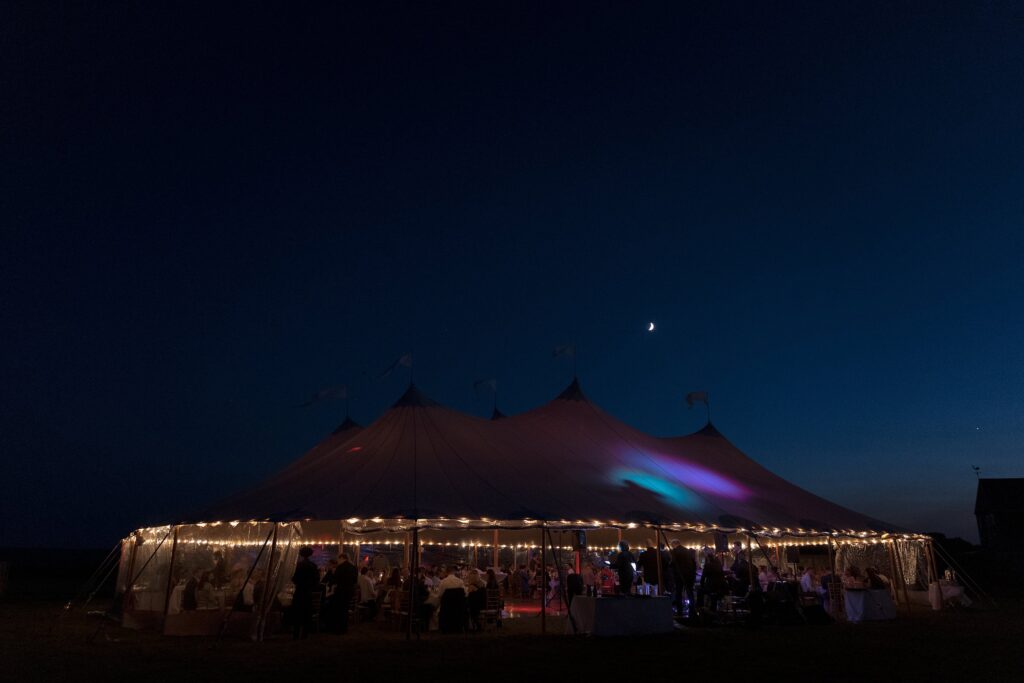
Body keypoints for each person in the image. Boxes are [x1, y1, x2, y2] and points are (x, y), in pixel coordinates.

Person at [291, 546, 320, 639]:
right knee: (307, 613)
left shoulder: (298, 565)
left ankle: (296, 634)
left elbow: (294, 578)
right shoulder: (313, 566)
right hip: (308, 592)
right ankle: (305, 634)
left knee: (297, 613)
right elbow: (316, 580)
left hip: (299, 591)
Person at [330, 553, 358, 633]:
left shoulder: (340, 567)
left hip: (341, 591)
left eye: (338, 559)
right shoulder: (353, 567)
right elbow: (355, 581)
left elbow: (335, 580)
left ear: (342, 558)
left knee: (339, 610)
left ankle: (338, 628)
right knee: (345, 609)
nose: (337, 561)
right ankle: (344, 628)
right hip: (349, 591)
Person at [669, 539, 697, 614]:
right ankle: (692, 609)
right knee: (690, 592)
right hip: (689, 575)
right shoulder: (687, 550)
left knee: (678, 592)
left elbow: (672, 564)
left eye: (672, 545)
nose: (672, 547)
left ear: (675, 544)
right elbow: (694, 563)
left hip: (680, 575)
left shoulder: (675, 551)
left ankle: (679, 610)